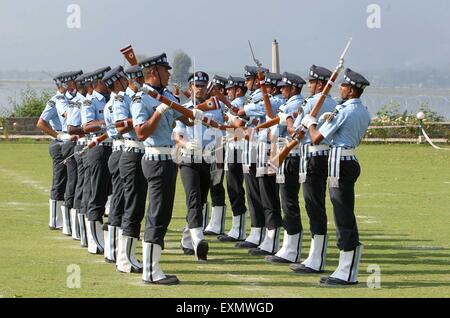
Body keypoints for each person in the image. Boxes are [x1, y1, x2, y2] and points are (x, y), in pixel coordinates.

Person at [297, 68, 371, 286]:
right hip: (349, 159)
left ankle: (347, 271)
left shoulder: (343, 111)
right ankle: (345, 267)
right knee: (343, 213)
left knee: (342, 216)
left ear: (352, 90)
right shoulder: (363, 111)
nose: (341, 88)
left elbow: (316, 138)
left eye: (345, 86)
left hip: (340, 162)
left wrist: (310, 122)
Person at [132, 53, 192, 284]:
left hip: (169, 159)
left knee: (164, 213)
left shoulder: (164, 95)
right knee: (156, 213)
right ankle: (150, 270)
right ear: (154, 72)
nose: (169, 74)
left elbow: (185, 118)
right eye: (165, 70)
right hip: (155, 158)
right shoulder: (141, 99)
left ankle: (154, 266)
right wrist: (159, 110)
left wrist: (193, 110)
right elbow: (140, 132)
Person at [282, 65, 337, 269]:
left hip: (312, 157)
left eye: (313, 82)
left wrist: (288, 118)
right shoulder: (333, 102)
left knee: (314, 206)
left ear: (320, 84)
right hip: (325, 156)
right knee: (316, 206)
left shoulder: (313, 102)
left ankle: (317, 258)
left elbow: (296, 131)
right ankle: (315, 255)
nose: (310, 85)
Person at [174, 71, 220, 261]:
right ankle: (198, 240)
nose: (200, 89)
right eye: (196, 85)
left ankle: (186, 239)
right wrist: (185, 144)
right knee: (193, 198)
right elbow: (177, 134)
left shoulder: (215, 110)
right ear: (190, 88)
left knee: (200, 201)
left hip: (207, 159)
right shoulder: (183, 109)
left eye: (203, 85)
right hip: (188, 159)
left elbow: (219, 135)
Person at [265, 72, 306, 263]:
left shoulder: (292, 105)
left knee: (289, 203)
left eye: (284, 87)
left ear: (293, 88)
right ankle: (289, 247)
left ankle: (292, 250)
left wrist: (287, 119)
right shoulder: (292, 104)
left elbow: (293, 132)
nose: (281, 90)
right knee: (287, 203)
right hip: (287, 156)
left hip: (290, 156)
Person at [114, 65, 148, 273]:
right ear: (134, 80)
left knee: (136, 207)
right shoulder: (122, 99)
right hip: (132, 152)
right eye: (141, 80)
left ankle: (127, 256)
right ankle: (125, 259)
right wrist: (139, 119)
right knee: (132, 207)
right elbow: (120, 126)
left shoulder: (142, 97)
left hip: (142, 153)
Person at [36, 72, 77, 231]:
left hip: (68, 141)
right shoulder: (56, 100)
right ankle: (55, 219)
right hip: (60, 142)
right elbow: (41, 123)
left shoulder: (71, 99)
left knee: (69, 181)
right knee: (60, 180)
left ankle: (63, 219)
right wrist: (59, 135)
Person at [81, 66, 112, 255]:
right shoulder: (89, 101)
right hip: (98, 149)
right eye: (105, 81)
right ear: (97, 82)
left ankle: (105, 237)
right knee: (96, 194)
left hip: (114, 149)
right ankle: (94, 240)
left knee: (111, 194)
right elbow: (86, 125)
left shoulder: (113, 100)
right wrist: (107, 123)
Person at [101, 66, 129, 264]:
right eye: (124, 79)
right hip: (120, 150)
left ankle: (114, 248)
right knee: (119, 201)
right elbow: (121, 126)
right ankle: (112, 249)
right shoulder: (118, 102)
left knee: (120, 200)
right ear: (117, 82)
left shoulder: (113, 101)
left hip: (117, 151)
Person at [217, 76, 248, 242]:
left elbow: (241, 126)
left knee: (235, 189)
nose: (227, 91)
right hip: (232, 147)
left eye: (230, 89)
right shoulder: (235, 104)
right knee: (232, 189)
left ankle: (239, 229)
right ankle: (237, 227)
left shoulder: (240, 104)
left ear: (238, 90)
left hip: (238, 148)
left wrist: (225, 124)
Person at [59, 70, 84, 237]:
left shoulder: (79, 100)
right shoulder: (72, 101)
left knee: (80, 184)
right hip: (71, 142)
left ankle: (76, 227)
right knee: (73, 182)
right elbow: (70, 122)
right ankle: (70, 225)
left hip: (81, 144)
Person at [203, 74, 228, 236]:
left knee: (216, 183)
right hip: (203, 148)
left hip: (217, 146)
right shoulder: (202, 104)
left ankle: (217, 223)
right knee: (203, 185)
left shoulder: (219, 105)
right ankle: (205, 221)